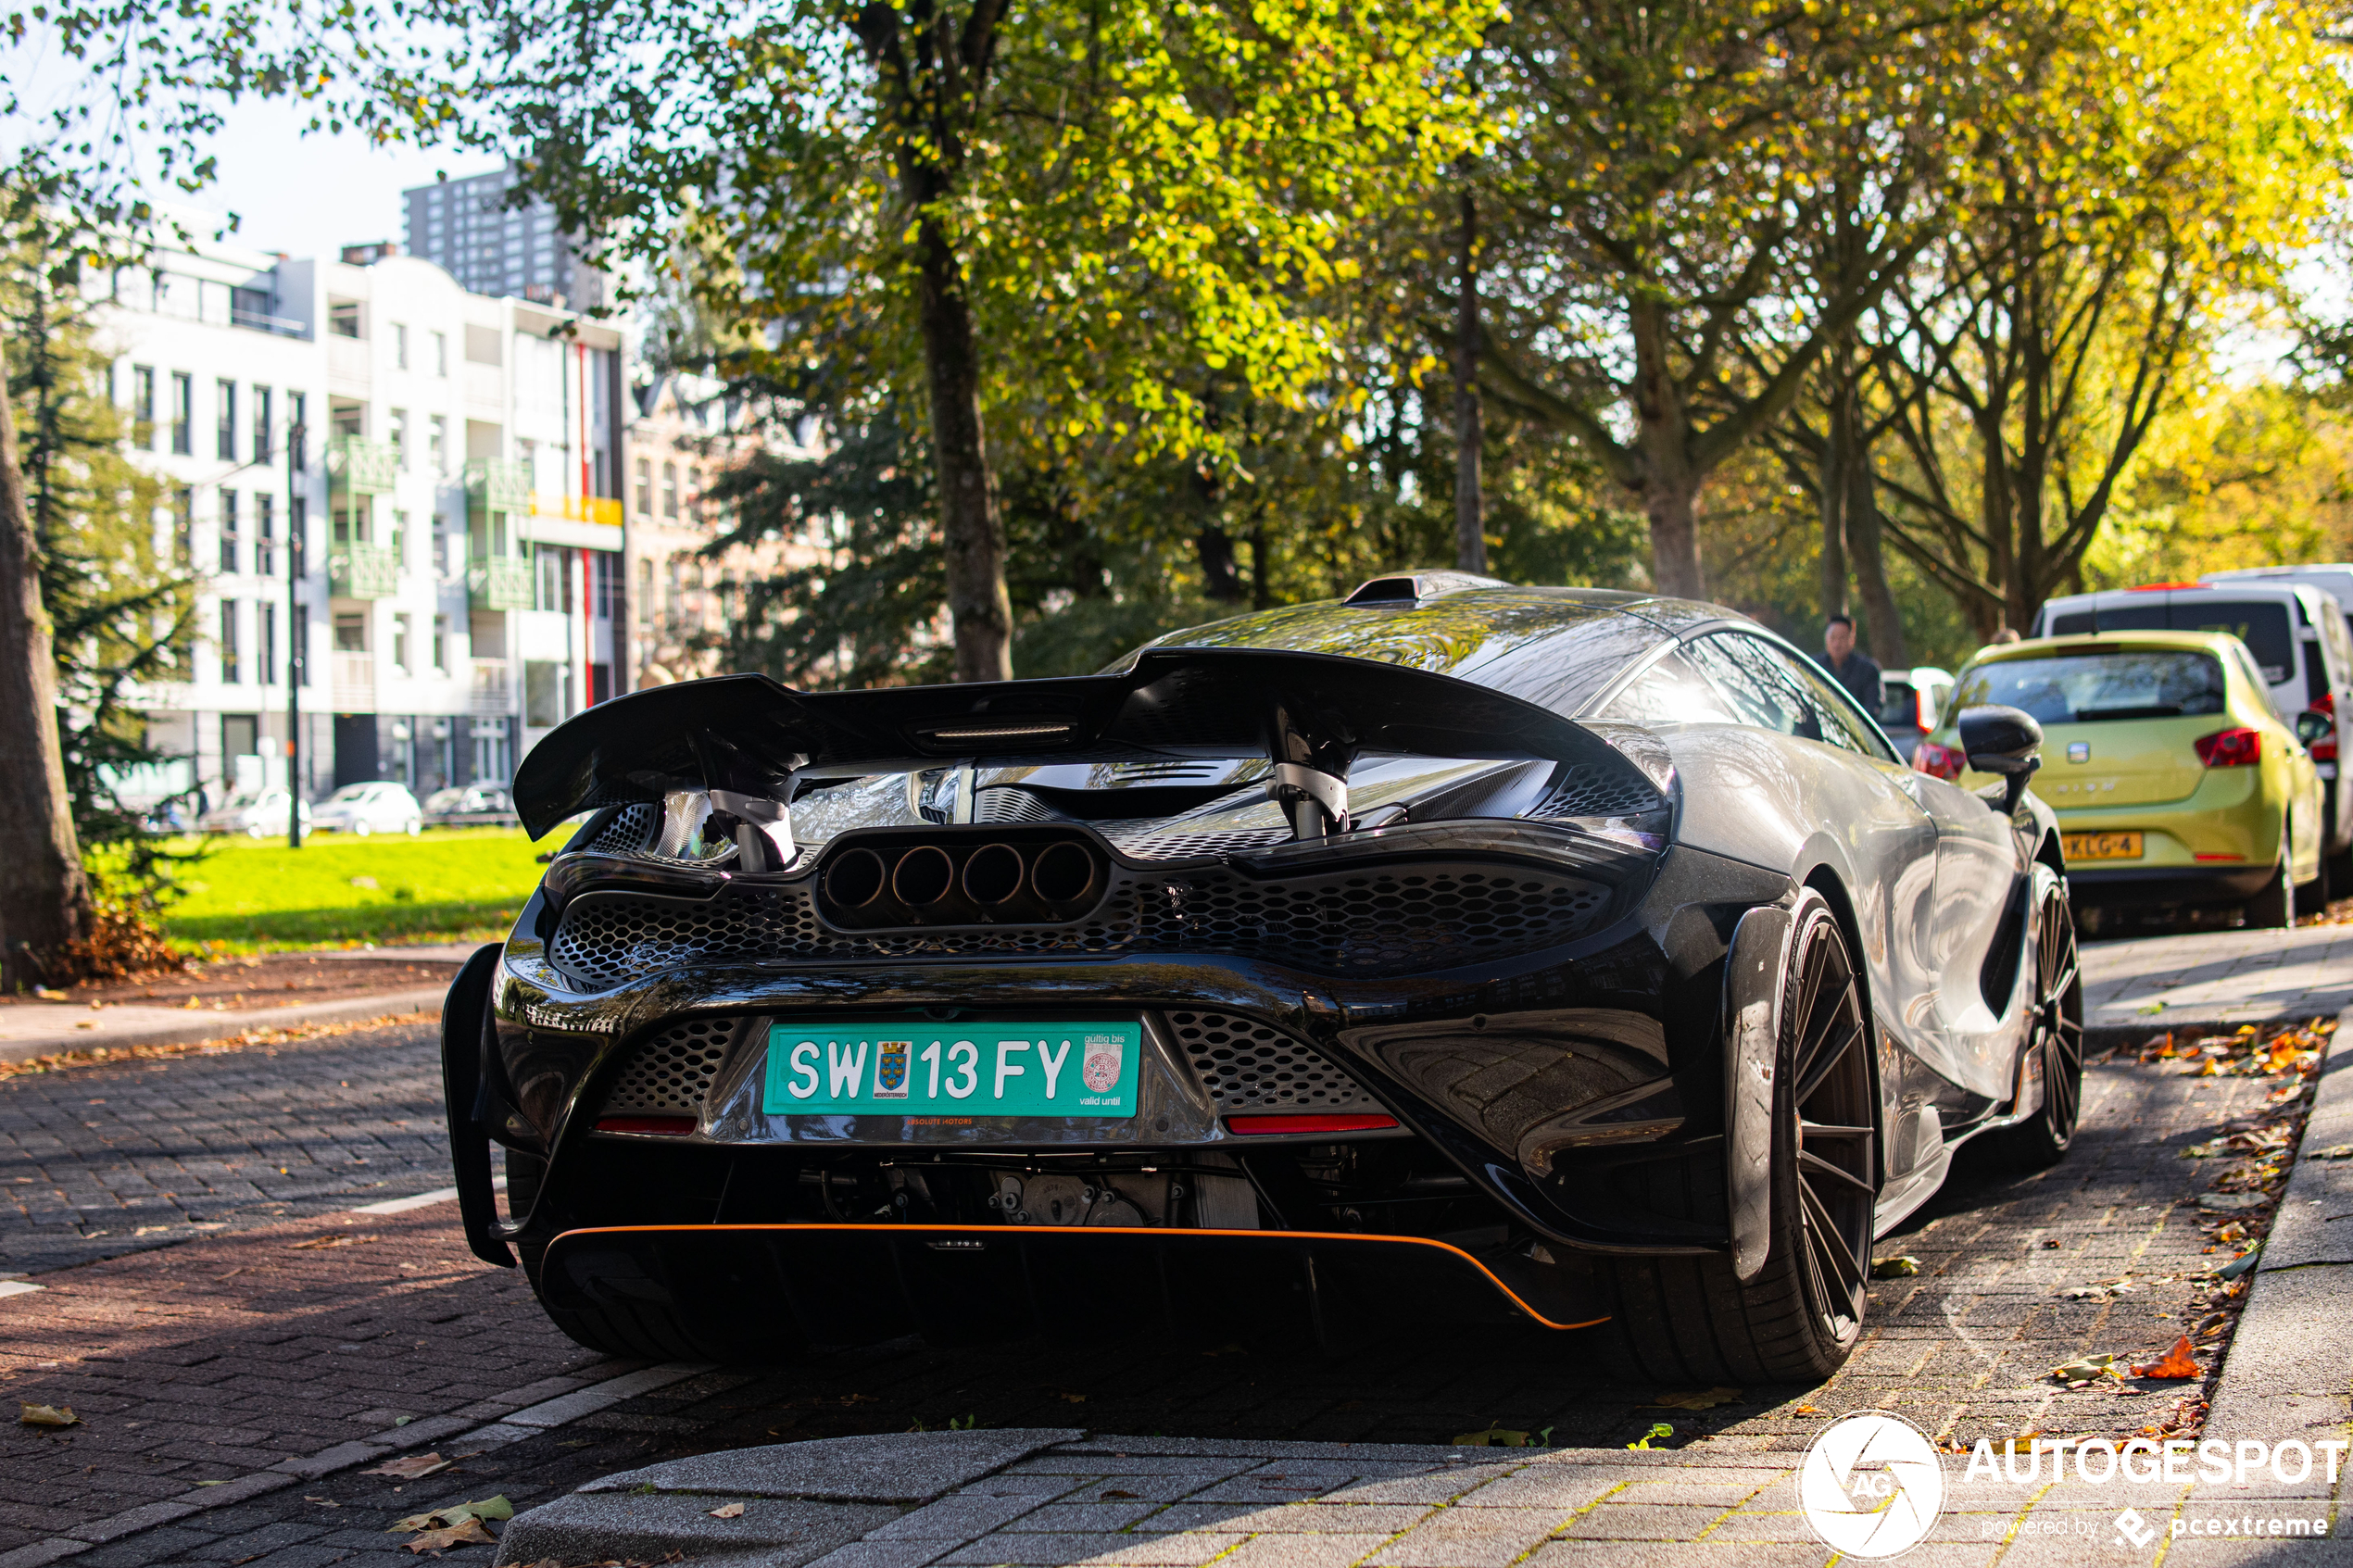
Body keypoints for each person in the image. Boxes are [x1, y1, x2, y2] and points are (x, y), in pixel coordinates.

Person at [1819, 614, 1883, 711]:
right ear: (1826, 639)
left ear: (1852, 640)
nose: (1836, 644)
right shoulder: (1814, 666)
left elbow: (1873, 707)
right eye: (1832, 638)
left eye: (1841, 638)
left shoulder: (1868, 670)